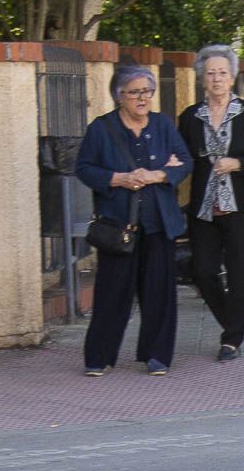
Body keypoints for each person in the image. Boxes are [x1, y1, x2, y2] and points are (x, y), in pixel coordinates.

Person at [76, 65, 193, 376]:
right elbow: (85, 168)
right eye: (135, 92)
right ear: (120, 97)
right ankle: (99, 358)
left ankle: (156, 356)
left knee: (159, 293)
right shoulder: (101, 129)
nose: (143, 98)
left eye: (147, 91)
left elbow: (185, 161)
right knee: (113, 293)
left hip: (158, 221)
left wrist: (158, 174)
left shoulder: (163, 125)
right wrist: (118, 178)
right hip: (119, 224)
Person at [179, 44, 244, 361]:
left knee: (240, 276)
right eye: (211, 73)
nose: (217, 78)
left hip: (242, 208)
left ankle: (231, 339)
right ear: (202, 78)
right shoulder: (191, 118)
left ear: (233, 76)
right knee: (202, 271)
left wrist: (239, 164)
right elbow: (181, 157)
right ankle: (232, 320)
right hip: (204, 209)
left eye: (222, 72)